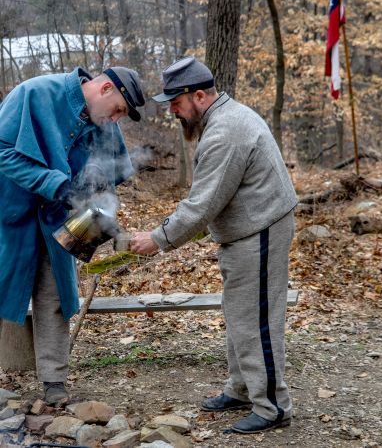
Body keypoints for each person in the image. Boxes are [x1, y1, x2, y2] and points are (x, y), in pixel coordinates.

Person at [130, 57, 297, 434]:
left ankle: (273, 406)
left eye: (175, 102)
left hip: (261, 230)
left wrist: (157, 239)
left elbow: (202, 204)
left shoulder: (226, 132)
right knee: (240, 315)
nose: (172, 110)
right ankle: (241, 389)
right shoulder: (222, 120)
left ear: (200, 96)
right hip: (248, 231)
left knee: (257, 321)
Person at [0, 66, 145, 404]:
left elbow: (114, 174)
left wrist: (98, 189)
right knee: (4, 286)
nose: (117, 119)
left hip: (57, 221)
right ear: (106, 88)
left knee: (54, 297)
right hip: (10, 215)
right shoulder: (34, 93)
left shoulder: (105, 124)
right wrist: (57, 184)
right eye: (119, 109)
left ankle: (54, 383)